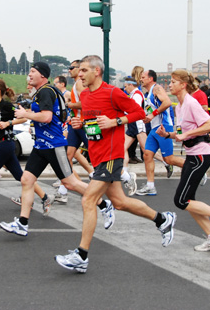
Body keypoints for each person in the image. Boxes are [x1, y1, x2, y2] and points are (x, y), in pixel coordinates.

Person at [54, 55, 176, 273]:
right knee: (120, 202)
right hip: (98, 155)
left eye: (83, 70)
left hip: (112, 156)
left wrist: (116, 121)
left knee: (89, 200)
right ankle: (163, 219)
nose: (79, 74)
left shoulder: (112, 92)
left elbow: (139, 113)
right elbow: (93, 120)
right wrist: (80, 122)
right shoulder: (87, 95)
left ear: (96, 71)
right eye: (78, 70)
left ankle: (81, 255)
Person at [0, 61, 114, 237]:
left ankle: (103, 204)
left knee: (71, 183)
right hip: (40, 145)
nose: (29, 75)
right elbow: (41, 116)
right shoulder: (41, 92)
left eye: (32, 72)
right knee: (26, 180)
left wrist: (26, 114)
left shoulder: (46, 91)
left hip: (54, 145)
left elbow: (46, 117)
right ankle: (22, 223)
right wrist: (26, 119)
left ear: (43, 76)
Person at [157, 70, 210, 252]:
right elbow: (182, 132)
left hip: (201, 155)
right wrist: (168, 134)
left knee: (181, 201)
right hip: (193, 154)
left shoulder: (192, 103)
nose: (170, 85)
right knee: (189, 200)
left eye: (173, 81)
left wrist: (187, 134)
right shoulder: (179, 106)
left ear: (183, 85)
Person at [0, 79, 51, 224]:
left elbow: (23, 117)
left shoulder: (6, 106)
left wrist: (8, 123)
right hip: (1, 144)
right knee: (20, 176)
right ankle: (45, 198)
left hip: (5, 144)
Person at [57, 59, 94, 203]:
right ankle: (63, 189)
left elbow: (86, 104)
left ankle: (123, 175)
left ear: (79, 69)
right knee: (68, 155)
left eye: (71, 67)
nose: (69, 70)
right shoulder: (76, 83)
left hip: (82, 124)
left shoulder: (79, 82)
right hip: (75, 124)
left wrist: (69, 104)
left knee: (96, 153)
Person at [137, 69, 178, 195]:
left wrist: (152, 115)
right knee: (147, 155)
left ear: (150, 78)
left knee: (169, 159)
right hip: (154, 128)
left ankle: (198, 170)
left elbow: (167, 102)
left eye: (143, 77)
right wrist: (147, 117)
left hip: (163, 127)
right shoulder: (148, 93)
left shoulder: (157, 88)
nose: (141, 79)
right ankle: (150, 186)